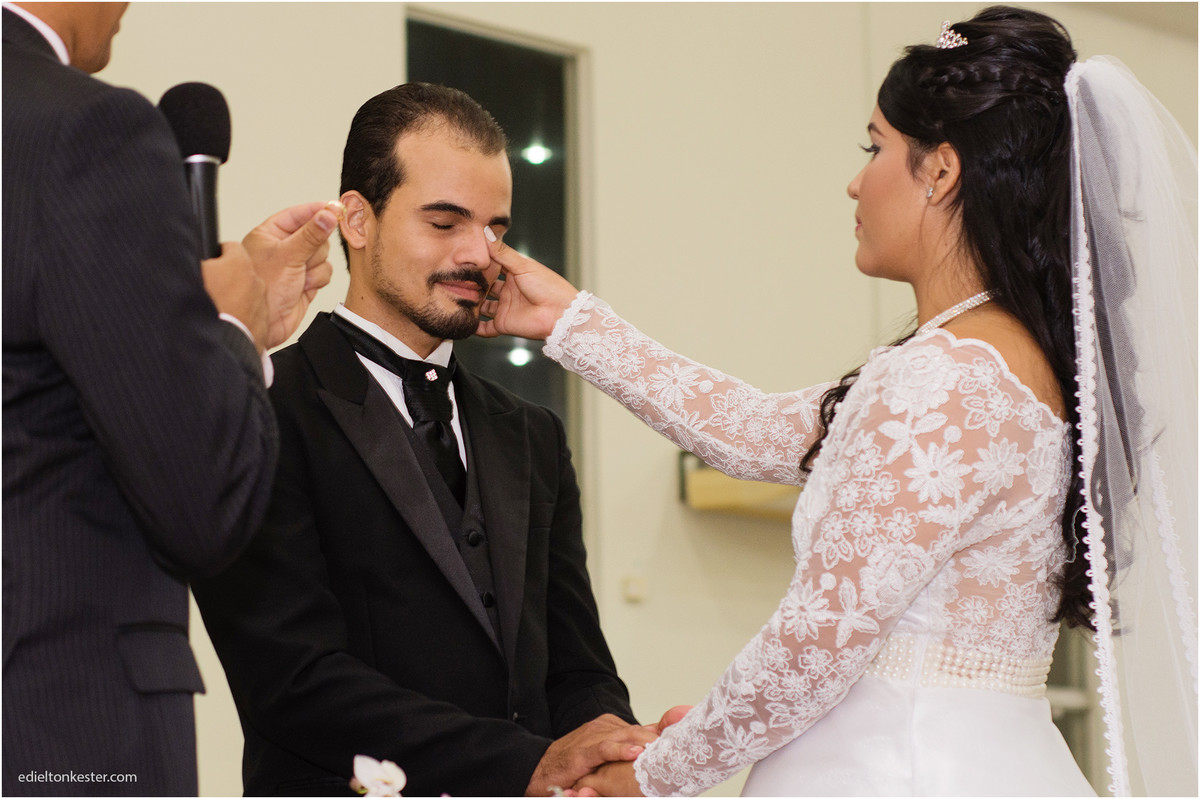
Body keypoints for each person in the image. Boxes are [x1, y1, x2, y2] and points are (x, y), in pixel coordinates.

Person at [477, 6, 1197, 796]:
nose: (856, 180)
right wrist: (571, 320)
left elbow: (817, 639)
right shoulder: (1007, 361)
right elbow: (752, 429)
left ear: (940, 171)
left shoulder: (945, 377)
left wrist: (654, 773)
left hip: (896, 765)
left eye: (874, 147)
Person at [191, 82, 655, 797]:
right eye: (444, 222)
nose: (479, 254)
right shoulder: (263, 406)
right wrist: (524, 766)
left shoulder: (533, 433)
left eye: (495, 228)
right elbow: (292, 680)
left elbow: (577, 665)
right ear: (357, 219)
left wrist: (610, 747)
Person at [2, 2, 339, 797]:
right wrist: (232, 333)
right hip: (58, 721)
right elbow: (200, 501)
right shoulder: (85, 128)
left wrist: (207, 326)